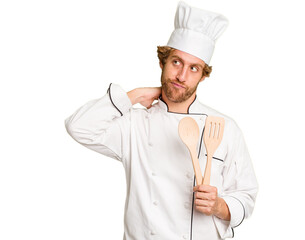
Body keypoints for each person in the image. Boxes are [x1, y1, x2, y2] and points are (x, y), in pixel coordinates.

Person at [65, 1, 258, 239]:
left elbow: (246, 194)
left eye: (194, 68)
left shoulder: (224, 127)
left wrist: (219, 206)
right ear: (162, 61)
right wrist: (133, 95)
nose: (182, 76)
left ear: (203, 76)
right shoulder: (134, 125)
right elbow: (79, 127)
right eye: (176, 62)